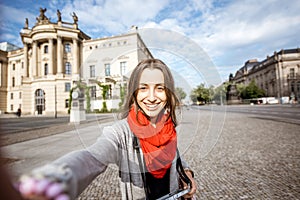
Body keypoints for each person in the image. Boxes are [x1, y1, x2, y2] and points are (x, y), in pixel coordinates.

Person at [16, 59, 197, 200]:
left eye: (159, 88)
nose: (151, 97)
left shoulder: (167, 125)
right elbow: (92, 157)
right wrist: (50, 181)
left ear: (168, 93)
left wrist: (186, 172)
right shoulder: (120, 132)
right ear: (134, 93)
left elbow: (175, 154)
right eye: (143, 88)